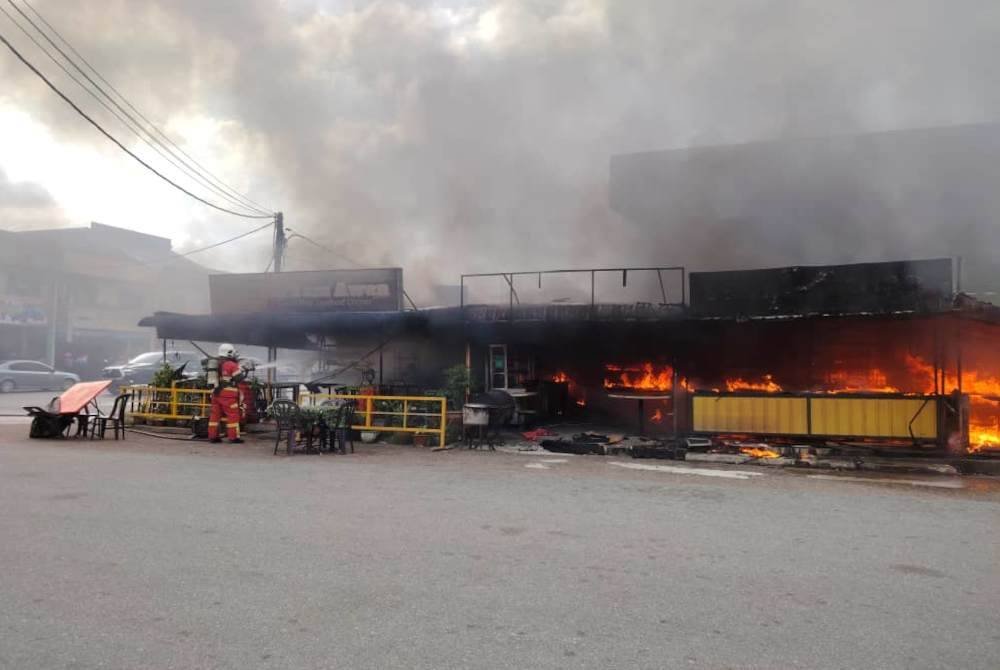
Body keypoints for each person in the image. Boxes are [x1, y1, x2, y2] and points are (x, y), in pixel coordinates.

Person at [207, 343, 245, 444]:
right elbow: (239, 378)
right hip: (228, 396)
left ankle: (213, 436)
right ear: (229, 353)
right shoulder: (231, 364)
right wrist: (242, 369)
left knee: (214, 416)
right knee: (233, 416)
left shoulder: (217, 363)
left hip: (216, 394)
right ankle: (233, 437)